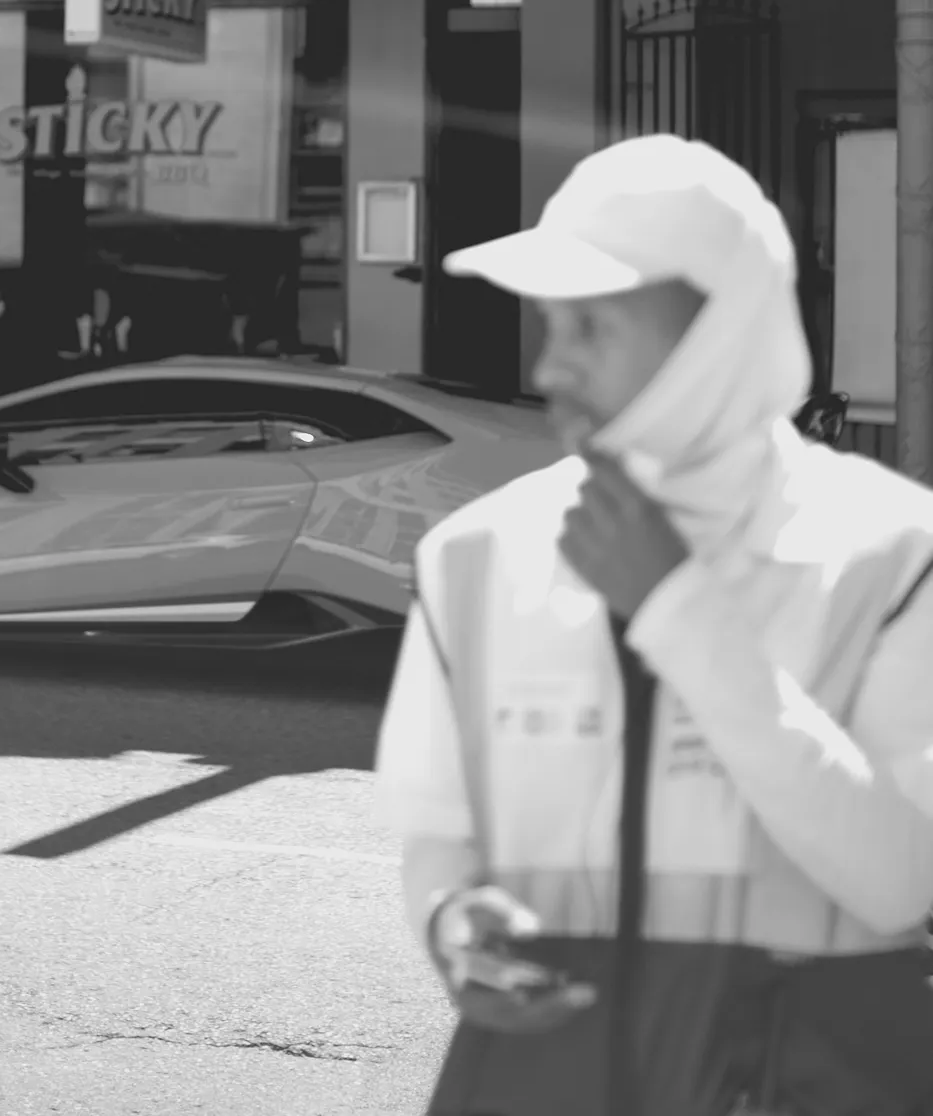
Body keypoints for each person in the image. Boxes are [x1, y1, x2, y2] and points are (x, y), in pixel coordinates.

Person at [374, 134, 933, 1116]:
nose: (549, 366)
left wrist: (679, 611)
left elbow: (899, 881)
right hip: (532, 1081)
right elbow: (436, 827)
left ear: (716, 329)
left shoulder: (892, 553)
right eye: (546, 323)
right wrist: (453, 919)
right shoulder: (474, 554)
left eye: (591, 327)